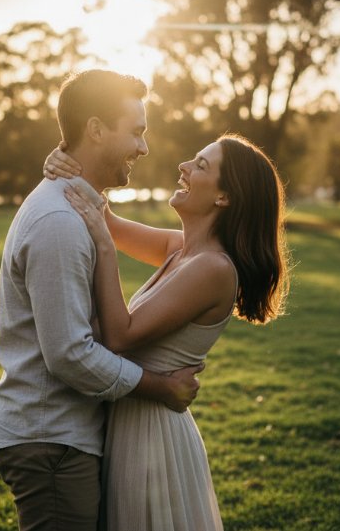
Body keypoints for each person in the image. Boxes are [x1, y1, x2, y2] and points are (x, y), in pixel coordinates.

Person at [0, 69, 205, 531]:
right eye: (137, 132)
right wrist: (160, 387)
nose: (144, 148)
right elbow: (69, 354)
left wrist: (67, 156)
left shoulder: (77, 211)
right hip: (51, 441)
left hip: (63, 437)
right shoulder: (61, 223)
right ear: (97, 129)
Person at [43, 133, 290, 530]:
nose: (184, 167)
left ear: (223, 197)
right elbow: (103, 217)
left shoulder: (214, 269)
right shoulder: (182, 250)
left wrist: (105, 250)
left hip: (151, 440)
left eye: (201, 165)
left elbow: (119, 336)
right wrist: (66, 162)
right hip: (131, 424)